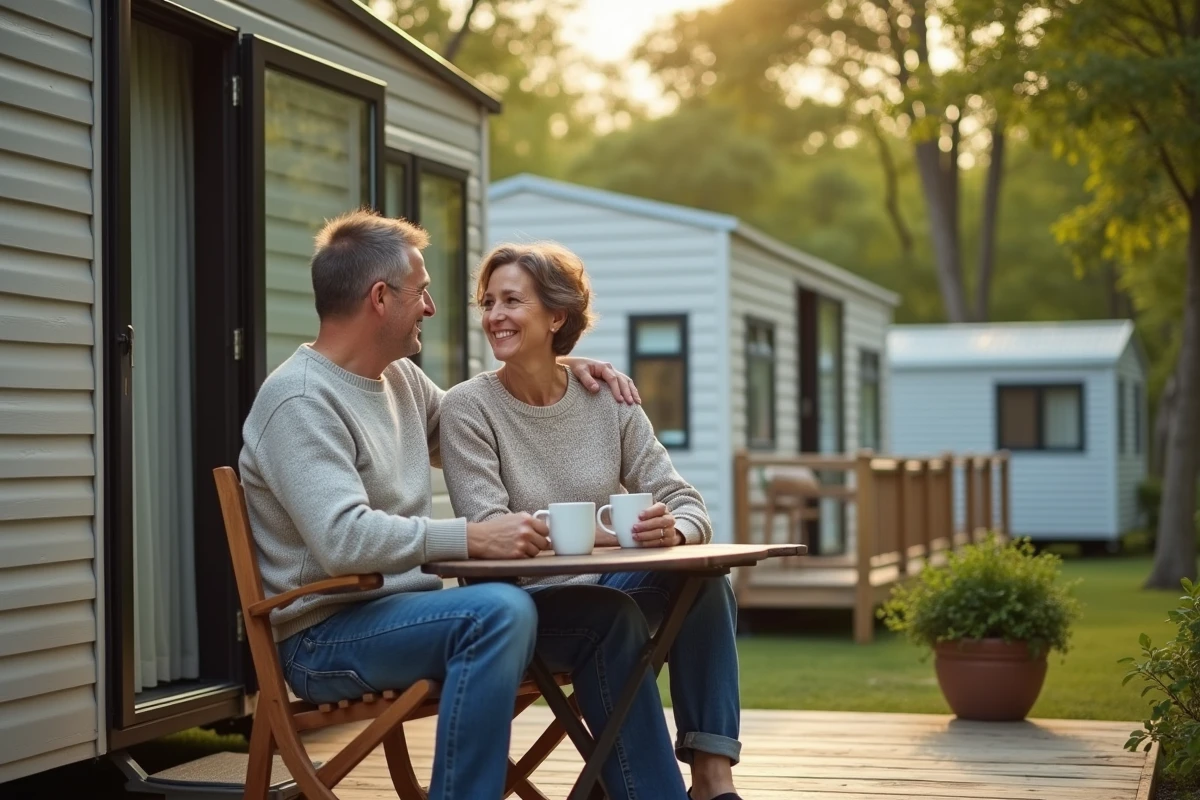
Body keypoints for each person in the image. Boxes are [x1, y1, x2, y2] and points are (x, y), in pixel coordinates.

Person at [237, 210, 679, 800]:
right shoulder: (298, 400)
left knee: (609, 615)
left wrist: (557, 368)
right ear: (379, 298)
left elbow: (493, 419)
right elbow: (343, 538)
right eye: (421, 292)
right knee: (498, 610)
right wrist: (471, 537)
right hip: (326, 637)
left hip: (407, 616)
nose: (431, 307)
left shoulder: (401, 382)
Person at [440, 242, 745, 800]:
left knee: (704, 578)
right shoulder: (469, 409)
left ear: (556, 316)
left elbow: (685, 498)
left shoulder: (608, 398)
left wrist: (674, 530)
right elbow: (489, 527)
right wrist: (610, 535)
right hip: (522, 609)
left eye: (512, 301)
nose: (495, 316)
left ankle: (712, 777)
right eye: (489, 303)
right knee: (611, 615)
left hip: (609, 592)